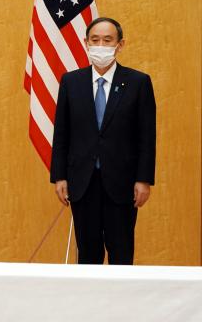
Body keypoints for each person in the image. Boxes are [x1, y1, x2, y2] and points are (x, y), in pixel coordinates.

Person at [50, 17, 156, 265]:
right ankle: (90, 304)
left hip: (123, 184)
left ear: (120, 45)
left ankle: (122, 304)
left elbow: (146, 136)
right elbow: (62, 134)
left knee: (121, 253)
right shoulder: (71, 82)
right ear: (86, 43)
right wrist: (60, 176)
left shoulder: (138, 83)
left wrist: (143, 179)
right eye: (95, 40)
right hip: (82, 183)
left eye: (107, 40)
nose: (101, 45)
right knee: (88, 254)